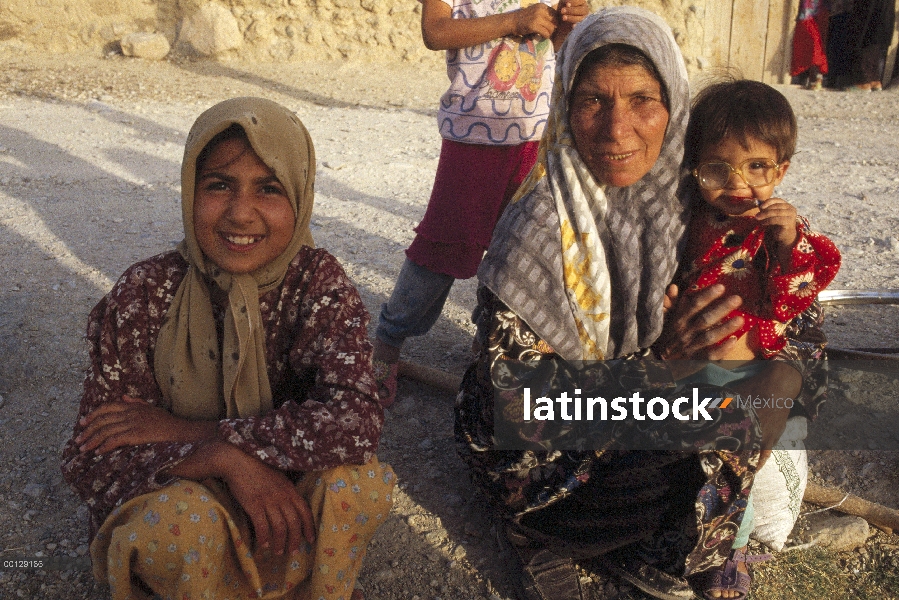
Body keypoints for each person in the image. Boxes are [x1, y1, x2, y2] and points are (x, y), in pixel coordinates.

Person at [455, 8, 827, 600]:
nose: (616, 129)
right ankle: (543, 538)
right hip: (558, 467)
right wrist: (660, 370)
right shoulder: (539, 225)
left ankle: (686, 549)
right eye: (593, 100)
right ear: (564, 103)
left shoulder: (707, 205)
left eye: (643, 100)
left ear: (674, 106)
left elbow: (801, 323)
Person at [61, 97, 394, 600]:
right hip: (184, 491)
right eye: (218, 185)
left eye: (269, 188)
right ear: (189, 188)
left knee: (354, 484)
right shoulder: (145, 292)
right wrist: (220, 460)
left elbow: (355, 422)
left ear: (300, 197)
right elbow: (93, 462)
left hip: (279, 504)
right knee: (177, 526)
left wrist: (208, 436)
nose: (241, 213)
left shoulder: (317, 282)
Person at [371, 0, 589, 405]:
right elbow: (435, 32)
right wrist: (515, 20)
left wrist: (569, 23)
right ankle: (387, 346)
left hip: (532, 136)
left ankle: (485, 345)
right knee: (443, 246)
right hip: (474, 135)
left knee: (515, 247)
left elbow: (555, 47)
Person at [680, 79, 841, 361]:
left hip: (760, 353)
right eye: (717, 168)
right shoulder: (684, 217)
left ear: (780, 172)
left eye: (756, 166)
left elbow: (797, 298)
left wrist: (788, 241)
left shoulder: (780, 228)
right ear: (696, 168)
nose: (736, 182)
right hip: (693, 350)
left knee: (779, 388)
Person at [790, 0, 830, 90]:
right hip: (808, 9)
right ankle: (811, 75)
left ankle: (815, 76)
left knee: (818, 38)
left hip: (821, 8)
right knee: (809, 36)